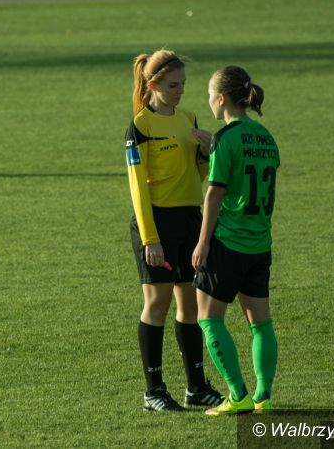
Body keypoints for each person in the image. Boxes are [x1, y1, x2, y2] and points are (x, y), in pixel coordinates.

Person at [126, 49, 223, 411]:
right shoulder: (141, 126)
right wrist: (150, 239)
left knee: (191, 304)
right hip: (157, 223)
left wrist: (207, 153)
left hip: (190, 220)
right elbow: (137, 187)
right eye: (172, 85)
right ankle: (153, 391)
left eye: (183, 84)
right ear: (153, 85)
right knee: (158, 303)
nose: (180, 91)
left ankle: (196, 387)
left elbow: (200, 174)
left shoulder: (189, 119)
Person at [192, 66, 280, 416]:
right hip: (260, 244)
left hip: (228, 242)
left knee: (208, 318)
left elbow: (215, 194)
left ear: (221, 98)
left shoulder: (225, 139)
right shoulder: (265, 136)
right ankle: (263, 396)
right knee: (260, 324)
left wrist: (203, 243)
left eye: (209, 95)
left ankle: (237, 394)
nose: (208, 101)